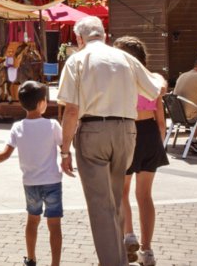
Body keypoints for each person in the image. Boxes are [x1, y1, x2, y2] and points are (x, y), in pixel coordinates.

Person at [56, 15, 163, 266]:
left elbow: (71, 110)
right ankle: (118, 259)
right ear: (104, 35)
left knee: (100, 205)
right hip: (127, 130)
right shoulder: (125, 57)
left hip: (93, 130)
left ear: (79, 39)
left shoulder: (77, 60)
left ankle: (112, 262)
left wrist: (64, 149)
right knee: (114, 201)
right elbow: (155, 89)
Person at [0, 80, 63, 266]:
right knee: (54, 225)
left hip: (30, 182)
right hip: (52, 182)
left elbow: (5, 154)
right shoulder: (53, 125)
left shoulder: (18, 127)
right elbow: (64, 147)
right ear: (42, 103)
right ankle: (55, 263)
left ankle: (31, 258)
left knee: (32, 221)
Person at [114, 36, 167, 266]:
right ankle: (147, 250)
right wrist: (159, 141)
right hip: (150, 133)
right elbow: (161, 118)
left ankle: (129, 235)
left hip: (127, 131)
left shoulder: (119, 79)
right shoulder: (153, 79)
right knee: (145, 195)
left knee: (122, 192)